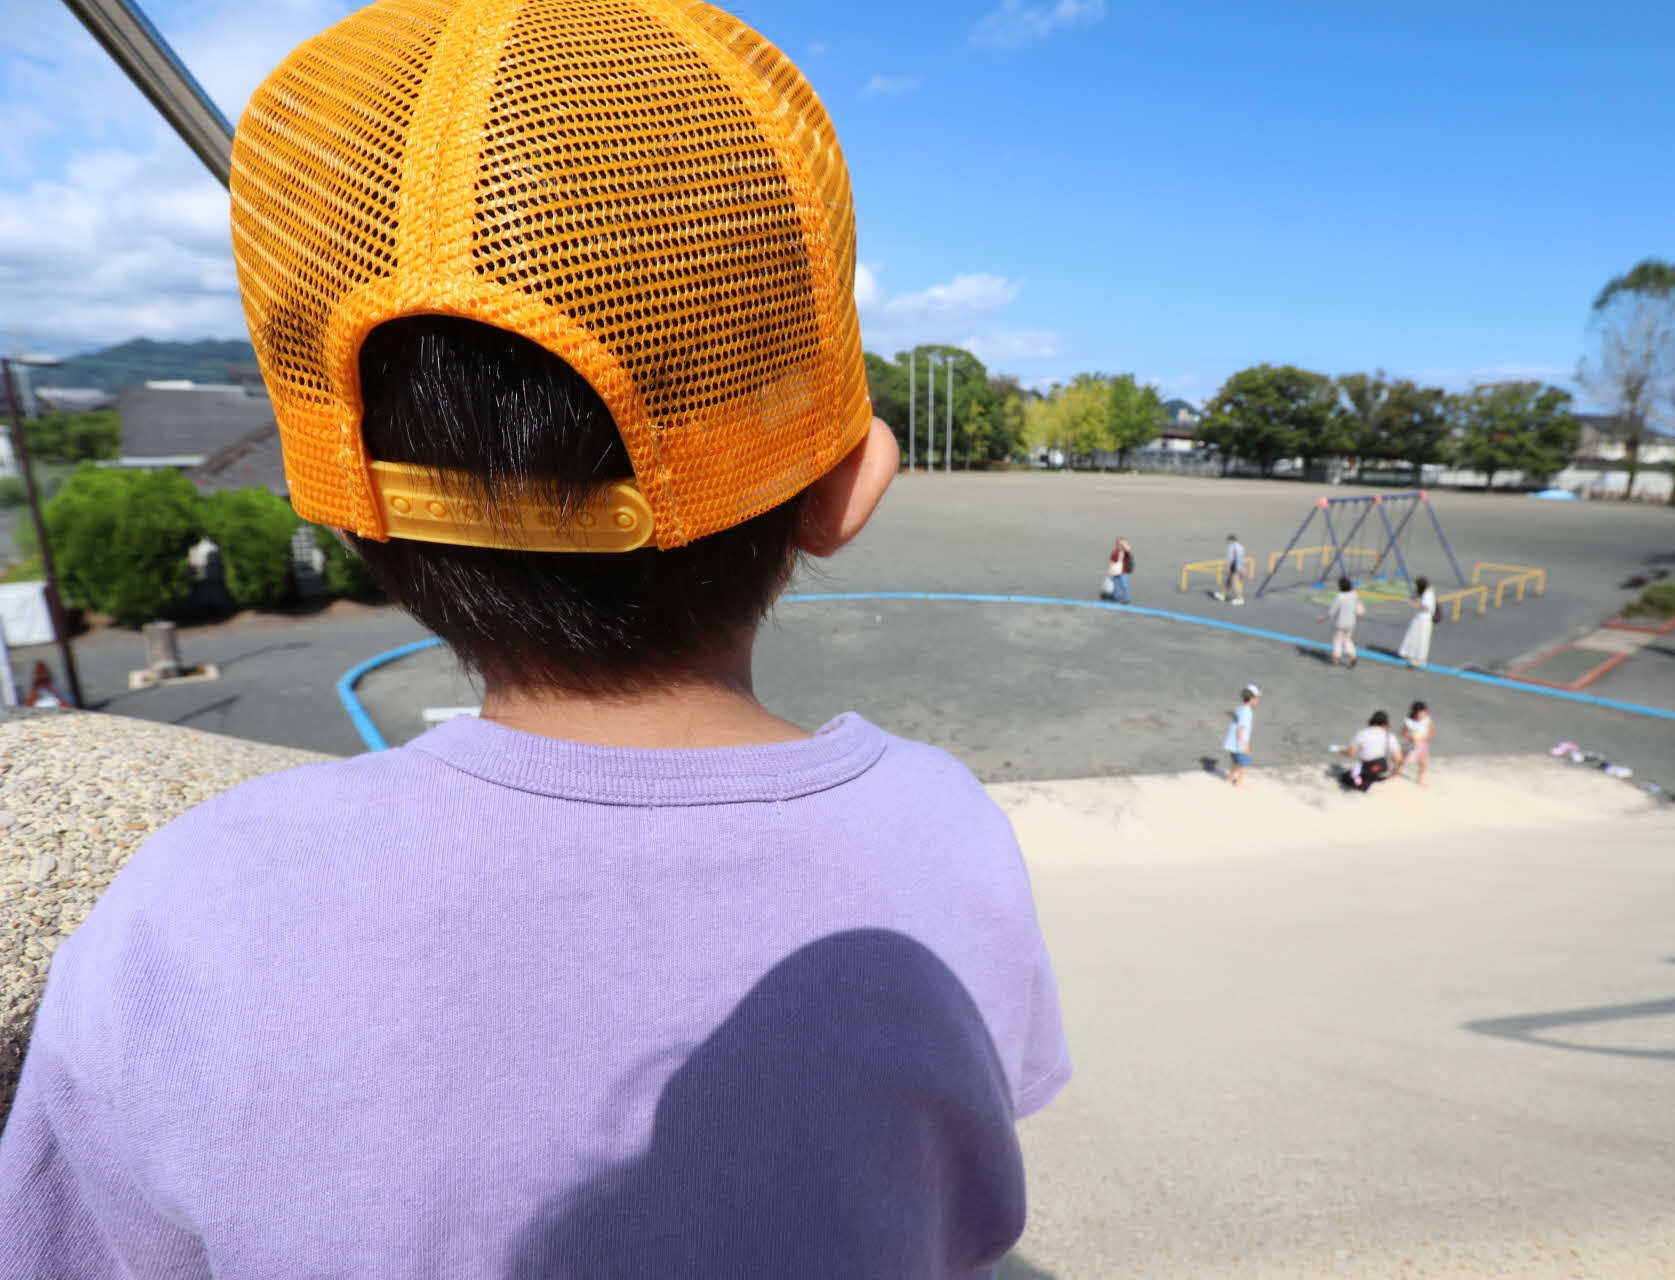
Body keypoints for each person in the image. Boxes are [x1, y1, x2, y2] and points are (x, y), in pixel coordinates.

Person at [0, 8, 1070, 1277]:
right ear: (846, 490)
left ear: (344, 511)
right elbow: (969, 1205)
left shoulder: (191, 907)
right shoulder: (938, 834)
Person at [1341, 709, 1403, 793]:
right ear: (1386, 724)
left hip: (1367, 769)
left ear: (1371, 721)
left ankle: (1360, 782)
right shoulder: (1390, 737)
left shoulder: (1362, 734)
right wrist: (1395, 773)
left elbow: (1351, 753)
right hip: (1381, 771)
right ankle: (1366, 781)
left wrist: (1340, 750)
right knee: (1366, 774)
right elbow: (1398, 758)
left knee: (1345, 777)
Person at [1321, 577, 1365, 668]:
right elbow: (1359, 607)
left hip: (1340, 623)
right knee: (1347, 640)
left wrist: (1323, 618)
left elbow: (1332, 612)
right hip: (1351, 623)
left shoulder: (1339, 597)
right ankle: (1353, 656)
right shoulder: (1354, 594)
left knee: (1337, 641)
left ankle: (1336, 658)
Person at [1222, 684, 1260, 788]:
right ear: (1252, 699)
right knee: (1245, 763)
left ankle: (1229, 779)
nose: (1258, 700)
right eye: (1257, 698)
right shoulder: (1247, 712)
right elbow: (1240, 729)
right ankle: (1239, 783)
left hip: (1232, 742)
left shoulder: (1241, 708)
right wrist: (1245, 745)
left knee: (1236, 761)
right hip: (1239, 743)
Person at [1398, 576, 1438, 669]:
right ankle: (1408, 653)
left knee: (1422, 639)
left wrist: (1413, 604)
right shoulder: (1423, 592)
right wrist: (1411, 598)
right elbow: (1414, 596)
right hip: (1419, 617)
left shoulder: (1428, 594)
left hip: (1425, 619)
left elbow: (1426, 607)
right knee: (1412, 634)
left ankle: (1420, 659)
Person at [1398, 701, 1436, 785]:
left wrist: (1427, 738)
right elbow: (1403, 733)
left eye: (1424, 713)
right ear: (1414, 713)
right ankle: (1396, 773)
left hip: (1423, 744)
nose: (1422, 716)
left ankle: (1419, 780)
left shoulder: (1427, 719)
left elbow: (1431, 732)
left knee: (1423, 763)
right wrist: (1410, 738)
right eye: (1420, 714)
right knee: (1403, 760)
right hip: (1412, 744)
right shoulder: (1408, 721)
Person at [1211, 534, 1251, 605]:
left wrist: (1229, 568)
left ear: (1230, 540)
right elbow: (1242, 558)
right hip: (1240, 566)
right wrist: (1243, 568)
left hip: (1235, 567)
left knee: (1235, 582)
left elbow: (1231, 559)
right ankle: (1222, 594)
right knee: (1229, 581)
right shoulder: (1241, 546)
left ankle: (1240, 598)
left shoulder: (1231, 546)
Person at [1104, 536, 1134, 604]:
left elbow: (1128, 549)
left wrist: (1124, 544)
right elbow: (1112, 561)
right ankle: (1115, 597)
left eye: (1121, 544)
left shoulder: (1125, 552)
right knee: (1115, 585)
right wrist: (1110, 571)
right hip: (1115, 572)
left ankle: (1126, 599)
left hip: (1123, 572)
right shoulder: (1115, 552)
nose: (1120, 545)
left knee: (1124, 585)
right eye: (1118, 544)